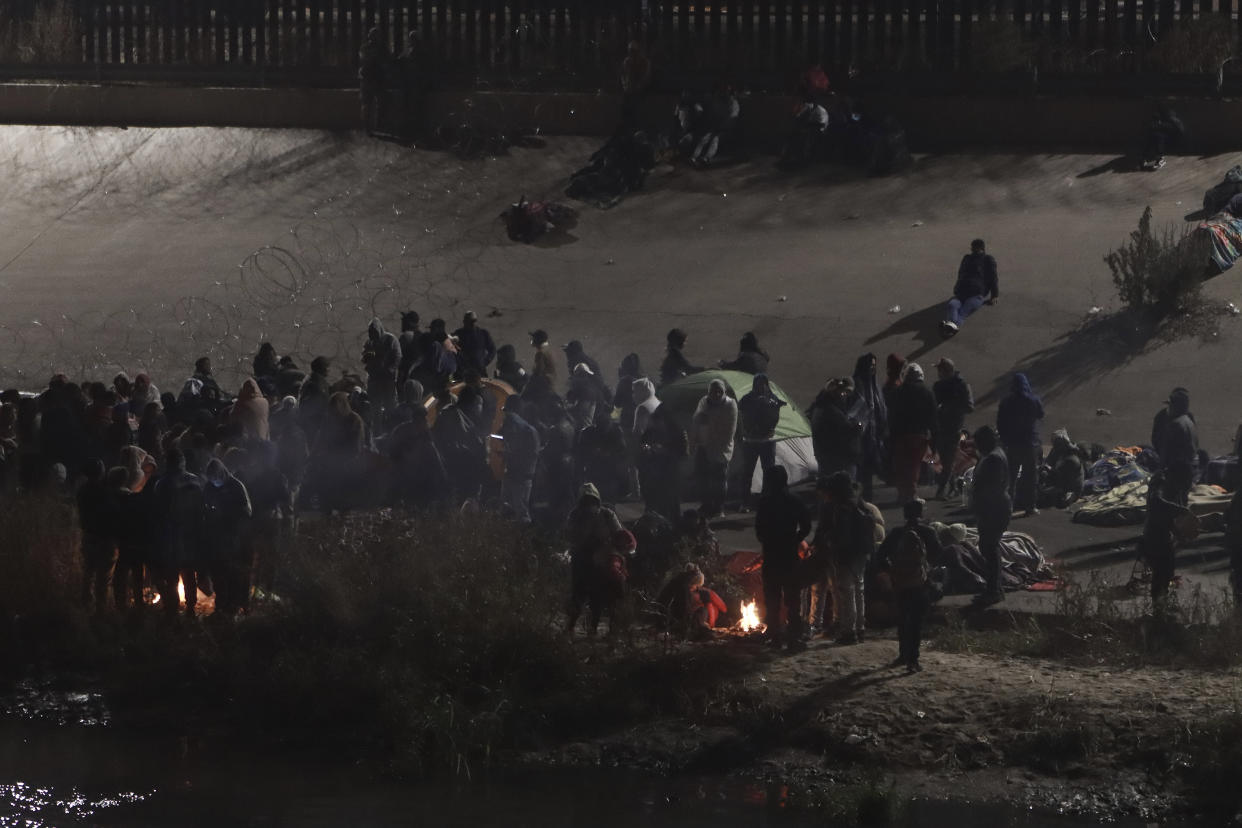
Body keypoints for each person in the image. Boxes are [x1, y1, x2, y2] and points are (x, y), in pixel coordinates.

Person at [879, 498, 942, 673]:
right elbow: (939, 555)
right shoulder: (928, 531)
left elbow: (880, 556)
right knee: (916, 622)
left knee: (902, 619)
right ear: (921, 513)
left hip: (900, 582)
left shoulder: (897, 533)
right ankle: (913, 660)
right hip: (920, 583)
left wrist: (893, 571)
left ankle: (902, 654)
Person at [814, 471, 877, 645]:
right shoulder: (858, 501)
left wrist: (827, 542)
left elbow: (835, 533)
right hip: (862, 552)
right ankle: (860, 629)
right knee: (859, 589)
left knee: (846, 592)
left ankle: (848, 632)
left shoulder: (839, 506)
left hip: (845, 553)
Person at [754, 466, 812, 649]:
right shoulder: (794, 500)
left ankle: (775, 635)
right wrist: (796, 538)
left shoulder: (765, 502)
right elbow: (807, 525)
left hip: (772, 556)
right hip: (789, 556)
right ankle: (794, 636)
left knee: (772, 599)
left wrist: (768, 541)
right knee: (793, 599)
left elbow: (759, 529)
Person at [152, 448, 207, 616]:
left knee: (172, 575)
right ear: (182, 462)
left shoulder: (163, 483)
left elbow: (158, 512)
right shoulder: (196, 480)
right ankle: (190, 608)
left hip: (171, 534)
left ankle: (172, 610)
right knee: (189, 573)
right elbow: (202, 508)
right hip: (191, 534)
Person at [565, 483, 624, 636]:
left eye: (591, 501)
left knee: (604, 598)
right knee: (579, 597)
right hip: (582, 561)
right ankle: (571, 628)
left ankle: (605, 630)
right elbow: (570, 535)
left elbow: (619, 535)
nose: (589, 505)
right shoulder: (575, 515)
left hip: (602, 562)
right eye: (586, 501)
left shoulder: (606, 514)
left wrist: (611, 548)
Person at [203, 457, 253, 617]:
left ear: (222, 473)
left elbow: (246, 511)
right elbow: (204, 507)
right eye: (211, 478)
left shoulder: (236, 486)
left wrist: (226, 513)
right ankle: (221, 606)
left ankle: (234, 605)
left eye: (216, 477)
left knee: (233, 574)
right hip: (216, 539)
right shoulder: (209, 487)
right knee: (218, 574)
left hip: (233, 538)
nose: (214, 481)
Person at [1143, 472, 1195, 609]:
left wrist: (1178, 534)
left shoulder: (1167, 486)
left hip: (1161, 535)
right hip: (1155, 537)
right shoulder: (1160, 486)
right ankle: (1158, 606)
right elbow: (1157, 504)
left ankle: (1162, 603)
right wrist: (1181, 510)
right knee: (1161, 572)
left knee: (1166, 572)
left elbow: (1167, 519)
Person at [971, 426, 1010, 606]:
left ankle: (993, 590)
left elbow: (990, 488)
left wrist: (983, 509)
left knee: (990, 548)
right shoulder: (994, 454)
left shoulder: (993, 458)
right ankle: (994, 588)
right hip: (993, 507)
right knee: (988, 548)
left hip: (993, 508)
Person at [996, 372, 1044, 516]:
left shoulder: (1006, 402)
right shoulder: (1033, 400)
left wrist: (1004, 439)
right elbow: (1040, 414)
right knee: (1030, 476)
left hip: (1012, 444)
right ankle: (1030, 506)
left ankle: (1008, 505)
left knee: (1010, 476)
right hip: (1030, 443)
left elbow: (1000, 423)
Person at [888, 363, 937, 504]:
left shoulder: (896, 392)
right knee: (913, 466)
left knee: (901, 466)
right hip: (918, 435)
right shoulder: (927, 393)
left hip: (899, 435)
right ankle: (911, 495)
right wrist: (934, 439)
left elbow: (890, 414)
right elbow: (933, 418)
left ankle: (902, 494)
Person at [691, 379, 738, 519]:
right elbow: (696, 419)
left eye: (719, 391)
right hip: (704, 446)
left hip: (721, 448)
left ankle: (718, 507)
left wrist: (708, 421)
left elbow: (729, 430)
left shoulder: (730, 405)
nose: (716, 394)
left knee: (719, 480)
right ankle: (706, 505)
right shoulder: (704, 402)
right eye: (713, 391)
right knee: (703, 478)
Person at [736, 374, 785, 509]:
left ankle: (766, 500)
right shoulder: (747, 399)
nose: (761, 386)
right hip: (751, 441)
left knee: (769, 472)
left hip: (767, 441)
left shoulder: (772, 399)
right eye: (759, 383)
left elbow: (776, 415)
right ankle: (744, 502)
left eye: (763, 383)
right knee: (747, 472)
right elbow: (740, 415)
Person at [932, 358, 974, 500]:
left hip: (953, 428)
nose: (938, 373)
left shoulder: (961, 386)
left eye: (940, 370)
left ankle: (941, 490)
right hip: (940, 428)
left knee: (948, 460)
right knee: (944, 459)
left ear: (947, 371)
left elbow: (969, 406)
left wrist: (950, 408)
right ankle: (954, 486)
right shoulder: (938, 386)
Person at [638, 402, 687, 523]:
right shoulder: (651, 431)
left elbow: (682, 452)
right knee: (654, 499)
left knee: (671, 500)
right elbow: (642, 445)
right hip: (654, 470)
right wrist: (647, 449)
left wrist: (664, 450)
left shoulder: (677, 432)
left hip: (670, 469)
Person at [808, 377, 863, 483]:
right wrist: (857, 428)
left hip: (826, 458)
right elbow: (841, 434)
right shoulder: (831, 411)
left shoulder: (820, 407)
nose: (845, 396)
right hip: (839, 461)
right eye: (843, 393)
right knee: (844, 490)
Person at [76, 459, 114, 612]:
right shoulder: (104, 491)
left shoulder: (82, 491)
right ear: (99, 471)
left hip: (88, 534)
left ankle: (85, 603)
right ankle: (101, 607)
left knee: (89, 570)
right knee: (103, 575)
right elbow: (110, 514)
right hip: (103, 536)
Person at [940, 239, 998, 338]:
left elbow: (993, 278)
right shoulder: (967, 258)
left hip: (977, 294)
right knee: (952, 305)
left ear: (982, 249)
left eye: (975, 248)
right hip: (961, 292)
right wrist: (957, 287)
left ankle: (950, 325)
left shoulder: (988, 260)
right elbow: (961, 273)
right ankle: (951, 326)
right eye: (972, 248)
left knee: (963, 312)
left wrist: (994, 295)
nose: (973, 250)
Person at [657, 562, 729, 639]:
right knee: (703, 610)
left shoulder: (677, 581)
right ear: (693, 583)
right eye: (695, 586)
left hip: (664, 618)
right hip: (671, 620)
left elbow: (722, 608)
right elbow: (683, 610)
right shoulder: (684, 588)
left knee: (703, 610)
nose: (695, 588)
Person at [1153, 387, 1198, 506]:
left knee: (1171, 504)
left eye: (1171, 405)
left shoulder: (1175, 425)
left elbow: (1166, 450)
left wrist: (1161, 470)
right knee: (1182, 503)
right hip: (1187, 469)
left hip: (1176, 470)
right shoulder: (1188, 421)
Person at [852, 353, 887, 502]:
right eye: (870, 366)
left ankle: (867, 499)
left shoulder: (875, 385)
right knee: (861, 470)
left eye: (874, 366)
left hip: (873, 436)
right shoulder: (856, 385)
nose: (872, 369)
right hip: (860, 436)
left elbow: (880, 407)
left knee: (868, 470)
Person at [500, 397, 540, 523]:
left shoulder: (515, 425)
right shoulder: (528, 429)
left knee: (519, 512)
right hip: (520, 475)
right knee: (515, 510)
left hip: (519, 475)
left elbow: (521, 453)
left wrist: (508, 454)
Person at [363, 317, 402, 423]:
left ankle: (391, 426)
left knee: (390, 406)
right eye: (370, 333)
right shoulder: (369, 343)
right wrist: (367, 357)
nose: (372, 335)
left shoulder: (390, 339)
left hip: (387, 379)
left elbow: (398, 356)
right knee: (375, 408)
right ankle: (377, 430)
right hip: (374, 379)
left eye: (374, 332)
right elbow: (364, 359)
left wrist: (390, 369)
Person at [359, 27, 389, 135]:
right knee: (377, 103)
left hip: (369, 78)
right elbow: (386, 62)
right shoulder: (381, 48)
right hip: (375, 78)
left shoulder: (365, 48)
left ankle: (369, 127)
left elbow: (363, 61)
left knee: (368, 104)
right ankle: (376, 126)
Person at [452, 311, 497, 380]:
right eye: (470, 321)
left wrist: (485, 361)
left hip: (479, 371)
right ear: (464, 322)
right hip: (462, 372)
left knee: (482, 389)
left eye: (474, 321)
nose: (472, 323)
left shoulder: (483, 333)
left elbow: (492, 349)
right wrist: (459, 363)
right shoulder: (458, 334)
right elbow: (452, 350)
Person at [1140, 103, 1186, 171]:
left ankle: (1160, 159)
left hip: (1174, 140)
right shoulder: (1160, 118)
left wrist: (1162, 125)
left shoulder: (1172, 119)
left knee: (1158, 137)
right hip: (1163, 140)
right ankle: (1146, 157)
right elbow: (1153, 128)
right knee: (1153, 135)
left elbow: (1179, 130)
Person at [620, 40, 652, 127]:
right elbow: (623, 75)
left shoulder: (645, 62)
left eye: (633, 51)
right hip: (629, 90)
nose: (632, 53)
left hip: (640, 90)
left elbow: (645, 77)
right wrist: (625, 85)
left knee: (638, 108)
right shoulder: (627, 61)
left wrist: (638, 86)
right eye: (630, 51)